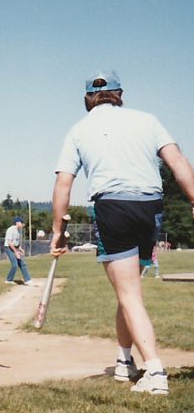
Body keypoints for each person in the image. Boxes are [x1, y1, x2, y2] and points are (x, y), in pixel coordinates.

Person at [52, 69, 194, 394]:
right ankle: (123, 359)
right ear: (119, 94)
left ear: (89, 98)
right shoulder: (148, 120)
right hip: (150, 207)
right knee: (128, 291)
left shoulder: (78, 130)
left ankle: (155, 372)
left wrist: (57, 230)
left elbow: (63, 182)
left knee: (128, 294)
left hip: (113, 207)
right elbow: (178, 161)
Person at [4, 216, 31, 285]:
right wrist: (16, 252)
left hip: (14, 248)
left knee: (22, 263)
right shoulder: (10, 230)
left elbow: (16, 242)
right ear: (17, 222)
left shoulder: (18, 231)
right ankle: (8, 280)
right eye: (21, 222)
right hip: (9, 248)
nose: (22, 224)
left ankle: (27, 279)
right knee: (15, 265)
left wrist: (20, 248)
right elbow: (9, 242)